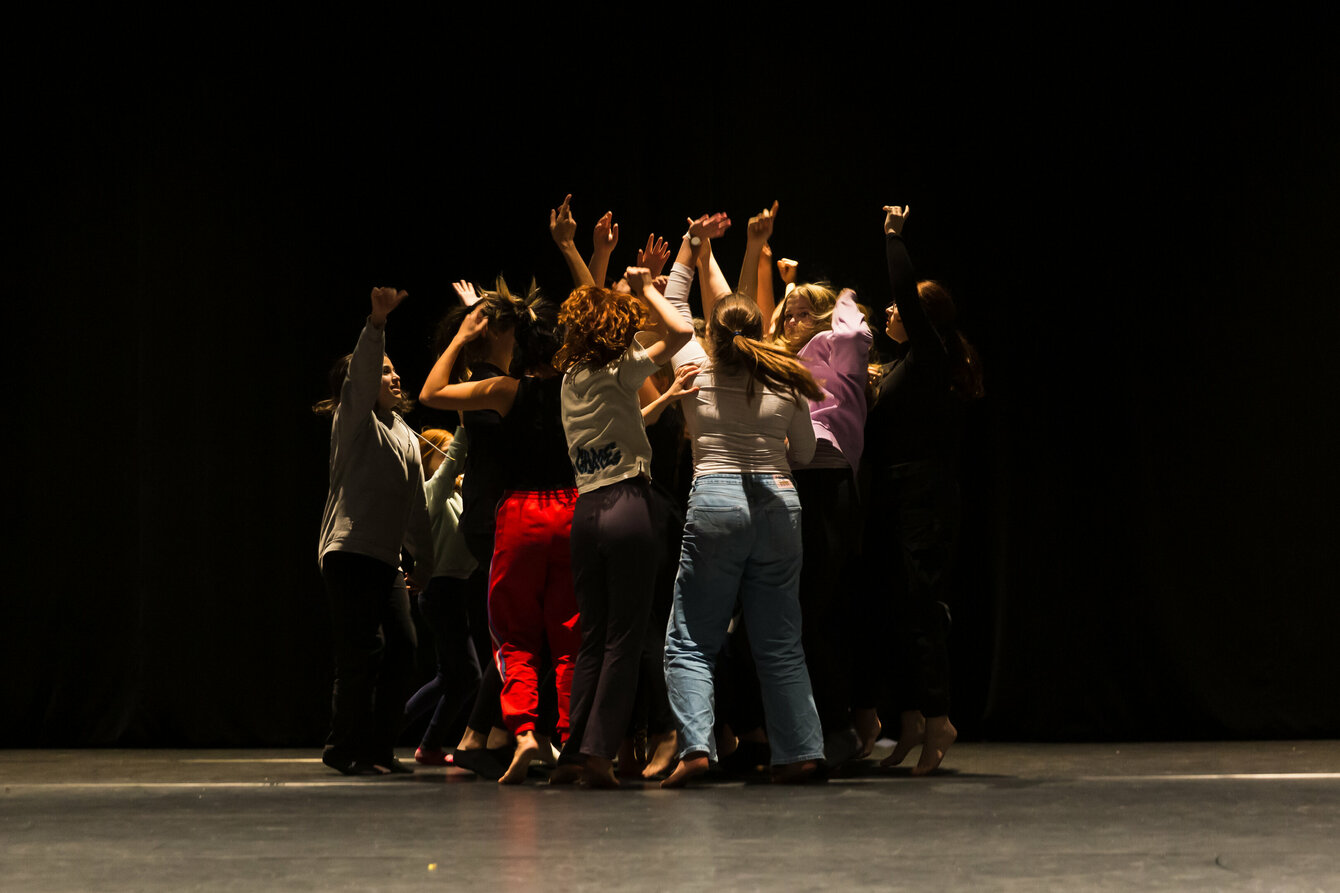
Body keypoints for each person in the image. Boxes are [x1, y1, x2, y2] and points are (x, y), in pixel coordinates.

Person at [659, 215, 828, 787]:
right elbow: (803, 453)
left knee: (691, 638)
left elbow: (673, 309)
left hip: (716, 500)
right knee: (780, 639)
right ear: (763, 329)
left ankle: (696, 750)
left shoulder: (694, 368)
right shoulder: (787, 377)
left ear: (713, 329)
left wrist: (691, 246)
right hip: (780, 504)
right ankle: (802, 751)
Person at [420, 281, 576, 784]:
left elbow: (436, 390)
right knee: (548, 632)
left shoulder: (503, 387)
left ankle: (511, 733)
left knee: (518, 634)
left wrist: (468, 329)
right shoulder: (548, 382)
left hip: (519, 513)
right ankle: (547, 739)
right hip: (537, 511)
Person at [550, 265, 695, 787]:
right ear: (615, 329)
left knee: (593, 637)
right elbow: (682, 333)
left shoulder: (572, 378)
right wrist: (650, 289)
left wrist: (664, 399)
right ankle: (597, 751)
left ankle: (572, 750)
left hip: (585, 512)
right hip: (629, 506)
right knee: (625, 639)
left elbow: (627, 419)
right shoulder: (620, 367)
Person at [865, 205, 984, 775]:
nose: (891, 308)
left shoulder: (932, 357)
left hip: (925, 501)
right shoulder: (904, 364)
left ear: (924, 316)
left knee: (922, 611)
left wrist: (892, 238)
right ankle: (910, 719)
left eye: (903, 304)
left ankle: (939, 720)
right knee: (893, 610)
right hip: (894, 497)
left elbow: (904, 296)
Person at [315, 286, 433, 776]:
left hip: (385, 559)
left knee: (403, 647)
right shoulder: (354, 422)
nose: (394, 373)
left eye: (393, 367)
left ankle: (380, 748)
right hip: (349, 552)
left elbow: (415, 507)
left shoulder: (405, 435)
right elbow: (362, 376)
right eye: (385, 369)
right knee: (362, 652)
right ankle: (344, 748)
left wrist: (422, 563)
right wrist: (377, 326)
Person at [401, 426, 481, 765]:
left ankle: (428, 744)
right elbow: (454, 464)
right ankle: (397, 727)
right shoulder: (428, 492)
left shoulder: (454, 496)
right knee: (468, 677)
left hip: (455, 588)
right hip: (440, 590)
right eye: (446, 453)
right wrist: (466, 423)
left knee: (452, 677)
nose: (454, 461)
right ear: (428, 457)